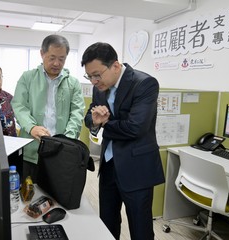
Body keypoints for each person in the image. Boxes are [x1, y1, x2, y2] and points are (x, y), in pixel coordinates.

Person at [81, 42, 165, 240]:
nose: (93, 81)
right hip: (109, 165)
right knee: (107, 222)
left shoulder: (144, 83)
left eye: (97, 75)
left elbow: (136, 128)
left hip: (137, 167)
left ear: (115, 66)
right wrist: (94, 121)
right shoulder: (100, 87)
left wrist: (105, 123)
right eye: (89, 76)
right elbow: (89, 117)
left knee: (140, 228)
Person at [11, 34, 85, 183]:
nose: (57, 63)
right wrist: (32, 127)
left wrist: (67, 139)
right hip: (31, 149)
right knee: (29, 195)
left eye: (62, 58)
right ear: (42, 53)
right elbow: (19, 106)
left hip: (60, 152)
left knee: (56, 197)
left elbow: (77, 112)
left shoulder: (73, 83)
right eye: (52, 58)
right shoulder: (28, 78)